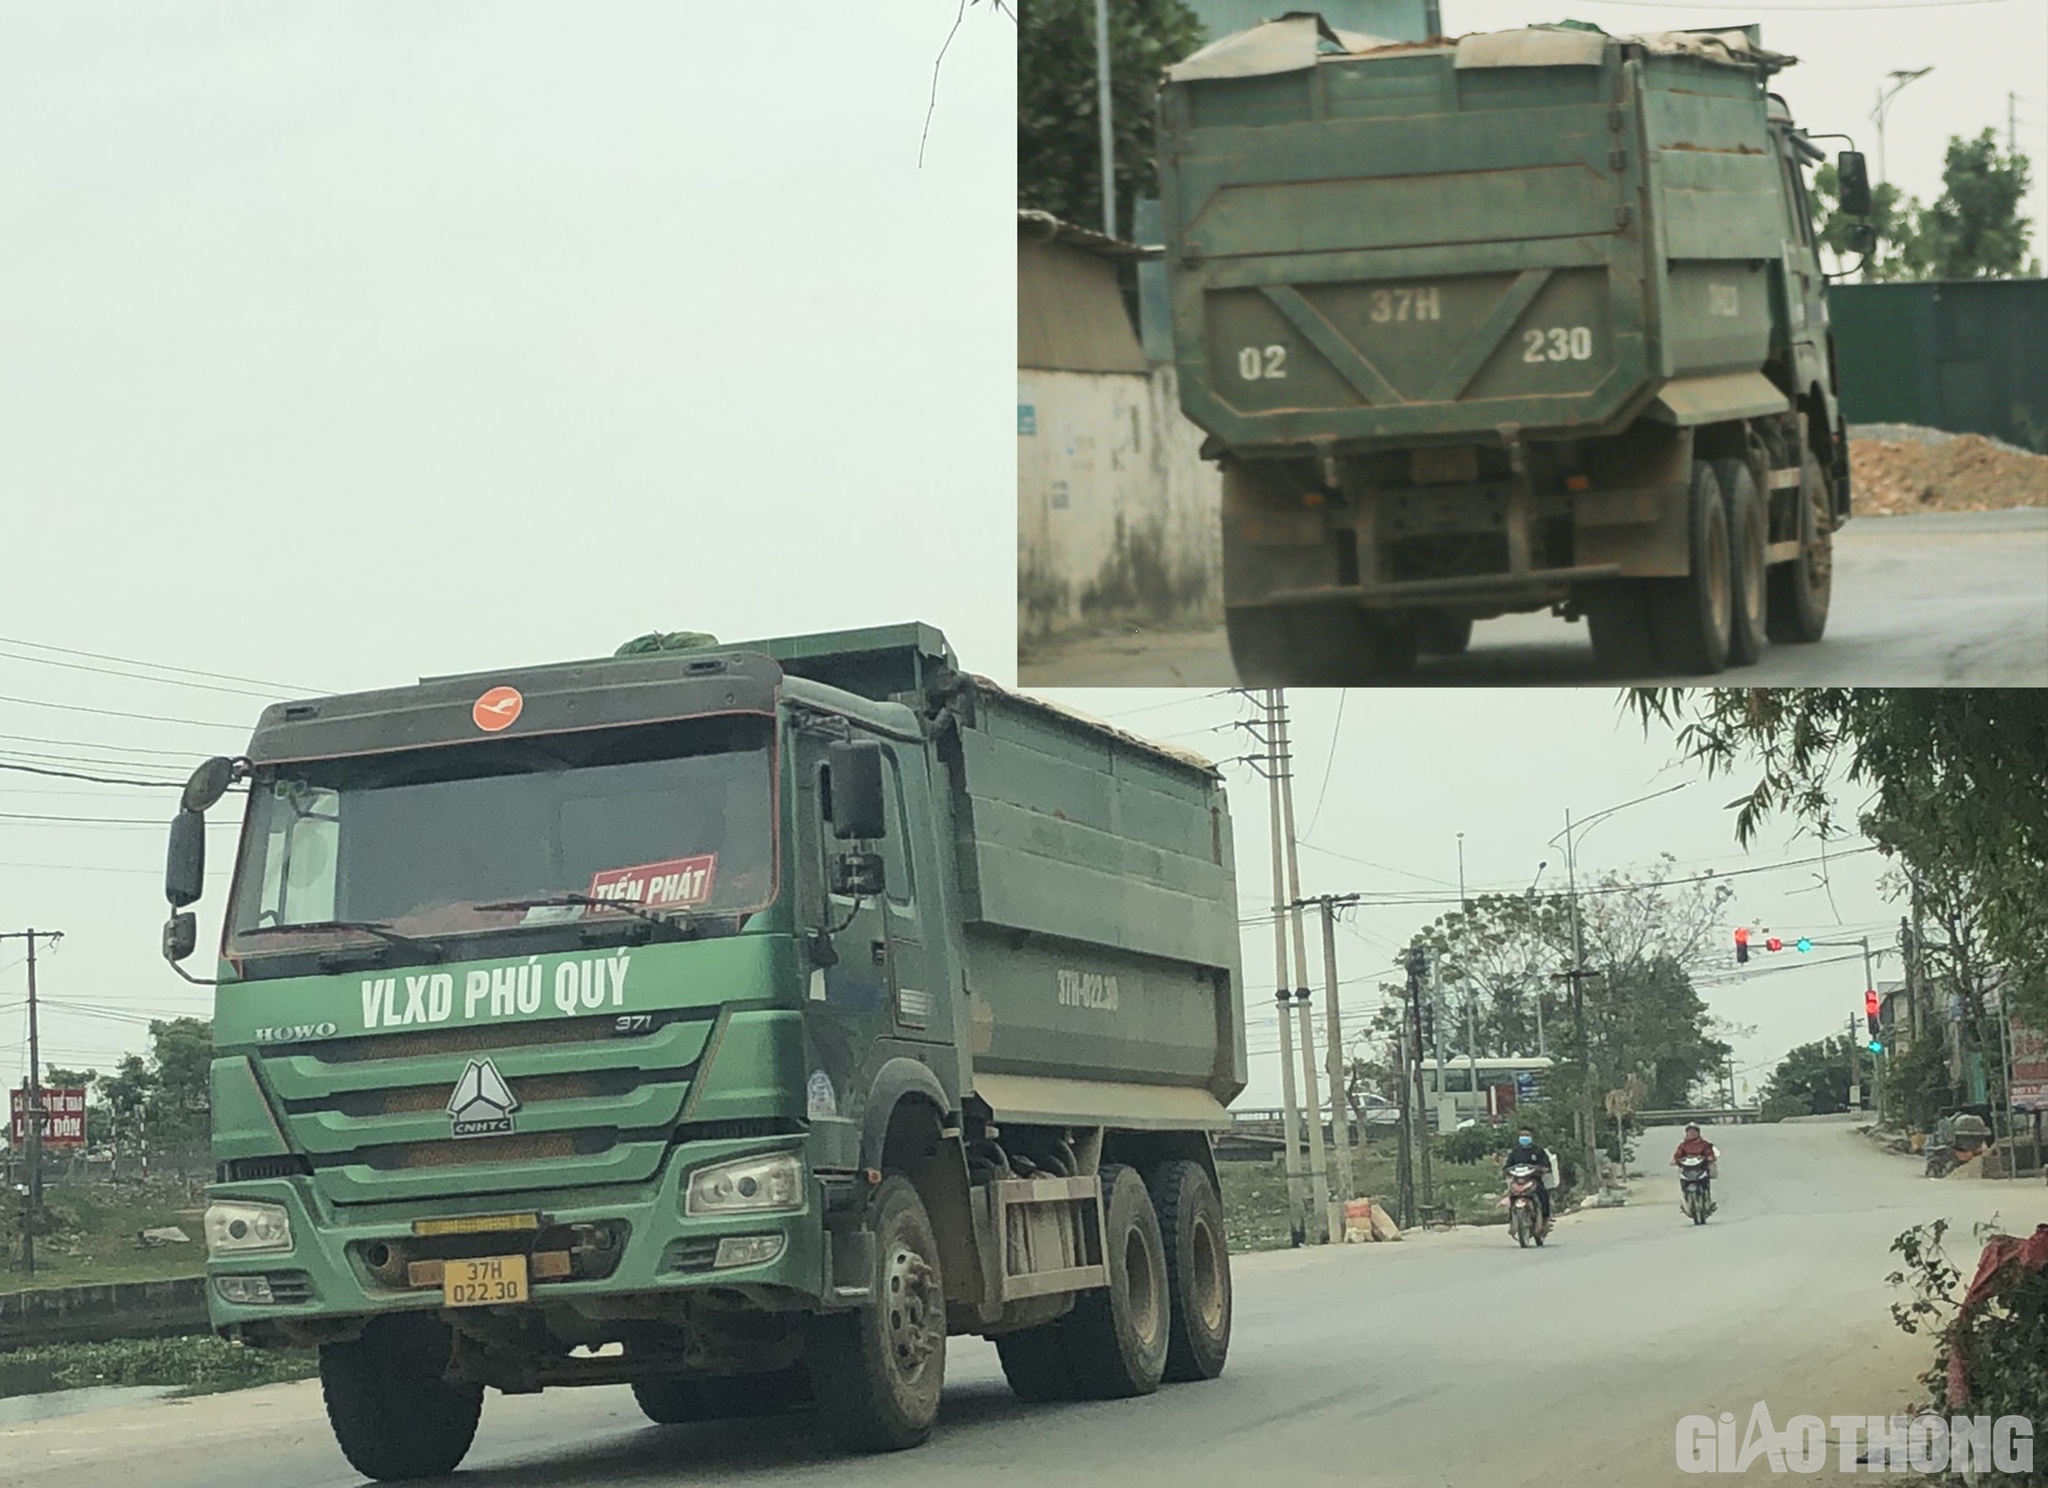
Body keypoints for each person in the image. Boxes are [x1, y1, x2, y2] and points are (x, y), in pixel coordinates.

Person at [1503, 1128, 1553, 1227]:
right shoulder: (1515, 1152)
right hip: (1518, 1180)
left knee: (1543, 1194)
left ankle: (1545, 1218)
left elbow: (1546, 1164)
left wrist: (1542, 1169)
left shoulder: (1538, 1151)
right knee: (1512, 1196)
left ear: (1530, 1138)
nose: (1524, 1138)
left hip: (1534, 1179)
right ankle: (1512, 1221)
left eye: (1526, 1136)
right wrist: (1506, 1171)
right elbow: (1508, 1165)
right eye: (1522, 1136)